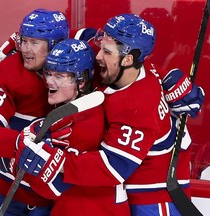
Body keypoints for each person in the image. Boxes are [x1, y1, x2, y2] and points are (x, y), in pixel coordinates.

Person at [20, 14, 205, 215]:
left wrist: (59, 162)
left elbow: (111, 167)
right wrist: (14, 45)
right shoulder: (130, 67)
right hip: (129, 191)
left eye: (106, 52)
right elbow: (69, 38)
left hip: (155, 197)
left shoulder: (138, 107)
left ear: (127, 59)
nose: (98, 56)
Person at [0, 8, 69, 216]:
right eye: (24, 40)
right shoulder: (10, 72)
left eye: (34, 43)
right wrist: (19, 142)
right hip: (1, 183)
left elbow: (88, 38)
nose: (25, 49)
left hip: (42, 192)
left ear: (56, 45)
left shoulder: (74, 69)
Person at [14, 38, 130, 216]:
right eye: (49, 73)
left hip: (94, 210)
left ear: (81, 81)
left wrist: (22, 160)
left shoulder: (87, 121)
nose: (50, 82)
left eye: (59, 76)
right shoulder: (80, 106)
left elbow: (52, 188)